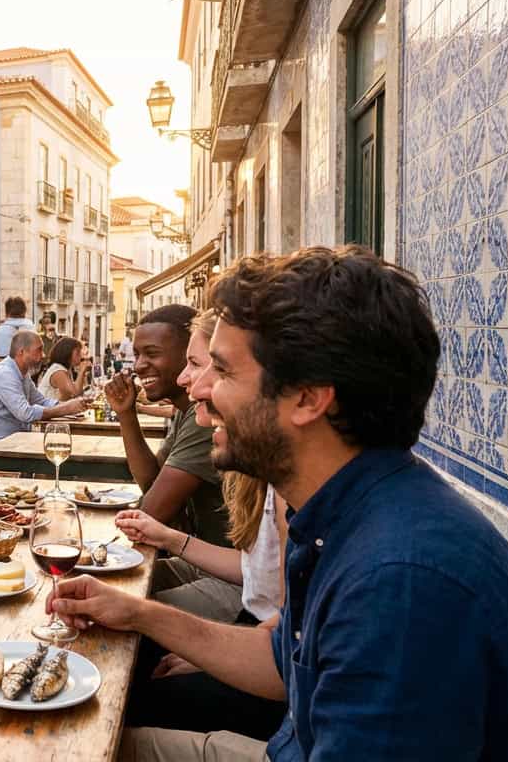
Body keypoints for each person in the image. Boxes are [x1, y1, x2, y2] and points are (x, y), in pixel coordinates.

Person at [50, 248, 508, 761]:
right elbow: (285, 661)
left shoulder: (400, 582)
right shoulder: (352, 513)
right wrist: (137, 613)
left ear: (308, 397)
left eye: (224, 371)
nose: (201, 391)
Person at [115, 310, 288, 741]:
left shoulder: (297, 496)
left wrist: (148, 617)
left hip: (286, 709)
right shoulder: (288, 485)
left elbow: (287, 641)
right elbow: (287, 625)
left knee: (125, 695)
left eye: (208, 367)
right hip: (259, 632)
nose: (192, 384)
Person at [105, 305, 233, 591]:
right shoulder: (186, 411)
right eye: (137, 354)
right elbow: (152, 483)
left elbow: (152, 510)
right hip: (205, 564)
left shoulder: (204, 421)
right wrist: (127, 415)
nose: (138, 365)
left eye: (151, 354)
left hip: (227, 576)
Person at [0, 331, 87, 458]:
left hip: (8, 444)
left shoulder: (22, 374)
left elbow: (41, 401)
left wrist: (72, 406)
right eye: (39, 350)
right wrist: (66, 409)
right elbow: (25, 413)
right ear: (21, 352)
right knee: (57, 457)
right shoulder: (5, 374)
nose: (43, 355)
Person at [38, 336, 90, 402]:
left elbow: (73, 396)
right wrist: (81, 371)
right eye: (78, 352)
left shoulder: (66, 369)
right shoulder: (58, 370)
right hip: (47, 410)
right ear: (67, 353)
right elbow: (75, 394)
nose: (81, 356)